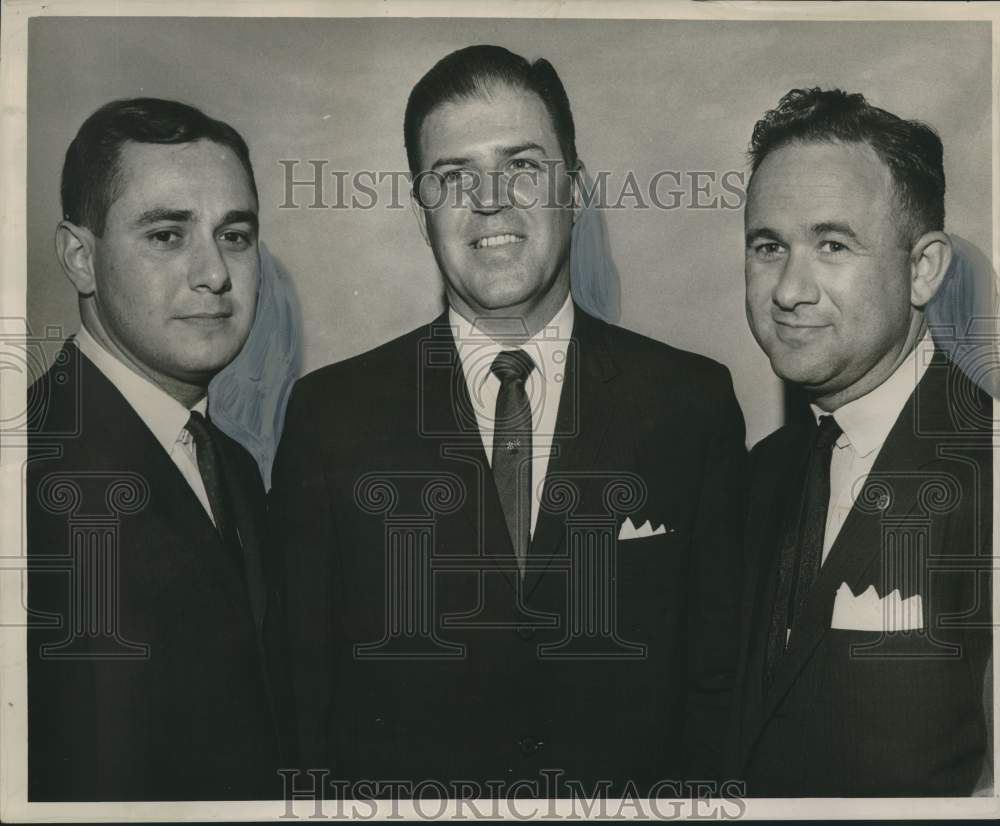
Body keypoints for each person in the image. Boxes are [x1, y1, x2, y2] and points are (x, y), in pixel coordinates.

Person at [270, 44, 746, 797]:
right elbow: (301, 707)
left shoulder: (692, 405)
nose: (489, 199)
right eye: (454, 176)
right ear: (422, 207)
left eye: (522, 165)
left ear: (575, 189)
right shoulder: (330, 420)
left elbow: (719, 690)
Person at [27, 98, 292, 800]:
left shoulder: (227, 462)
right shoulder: (27, 466)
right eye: (168, 236)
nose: (214, 274)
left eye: (234, 235)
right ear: (80, 258)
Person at [733, 88, 993, 796]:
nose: (789, 289)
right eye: (768, 247)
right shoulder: (762, 475)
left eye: (833, 244)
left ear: (924, 269)